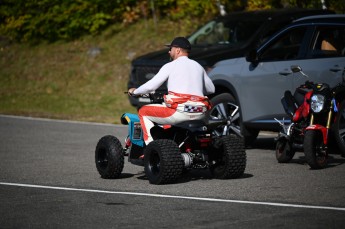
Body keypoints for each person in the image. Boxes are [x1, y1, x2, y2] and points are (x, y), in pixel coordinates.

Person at [128, 37, 215, 145]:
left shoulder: (170, 65)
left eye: (171, 49)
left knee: (143, 111)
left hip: (179, 112)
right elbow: (211, 89)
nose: (169, 51)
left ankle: (150, 147)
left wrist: (135, 91)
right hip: (200, 112)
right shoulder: (198, 66)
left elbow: (151, 86)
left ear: (177, 50)